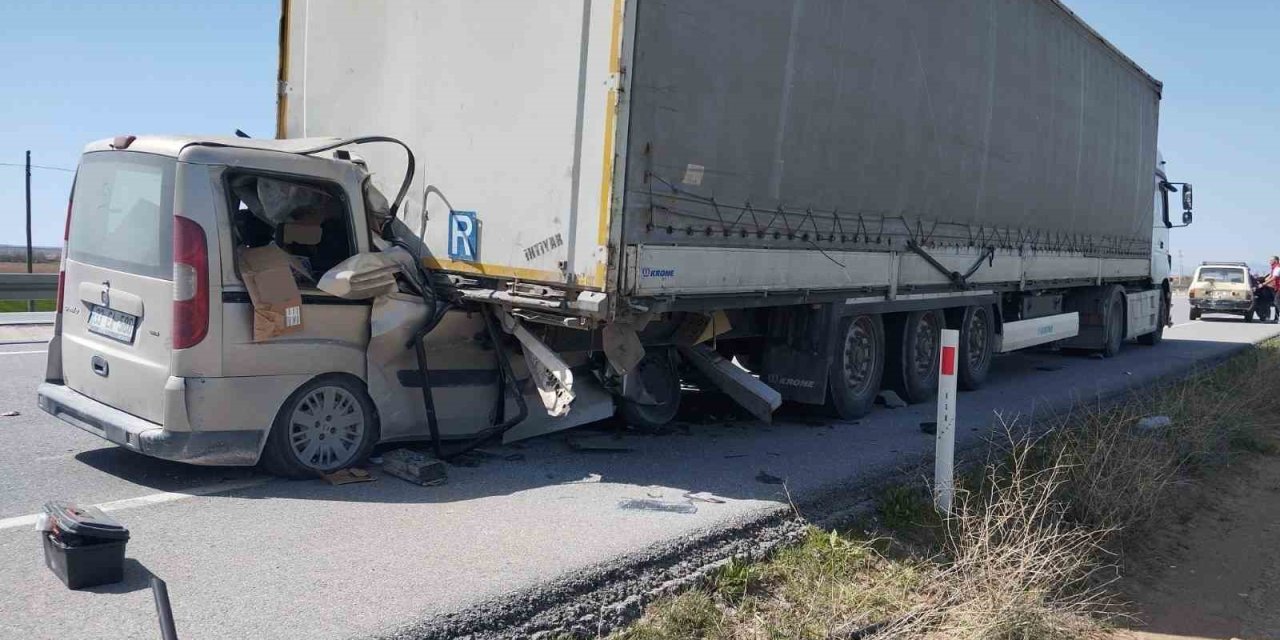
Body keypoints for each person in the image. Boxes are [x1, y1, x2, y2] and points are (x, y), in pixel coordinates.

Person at [1263, 256, 1280, 324]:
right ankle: (1276, 318)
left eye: (1271, 260)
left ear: (1275, 261)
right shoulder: (1274, 268)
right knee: (1277, 302)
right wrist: (1263, 280)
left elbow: (1273, 278)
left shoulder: (1278, 268)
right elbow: (1269, 277)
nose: (1269, 261)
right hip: (1276, 287)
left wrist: (1263, 284)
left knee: (1276, 302)